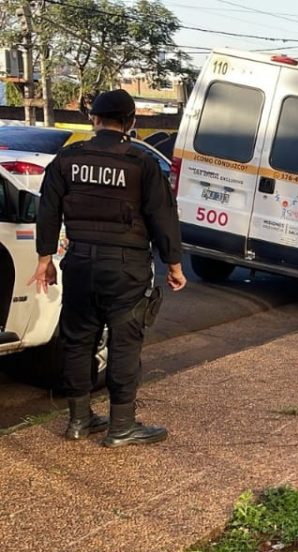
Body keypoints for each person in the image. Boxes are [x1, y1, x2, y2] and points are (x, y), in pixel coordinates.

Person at [28, 89, 186, 447]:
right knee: (124, 343)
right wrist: (174, 265)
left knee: (77, 340)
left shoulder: (68, 159)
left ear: (94, 119)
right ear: (130, 122)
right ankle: (121, 426)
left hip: (79, 263)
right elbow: (163, 217)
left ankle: (79, 420)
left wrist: (44, 260)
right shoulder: (141, 163)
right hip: (125, 268)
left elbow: (48, 210)